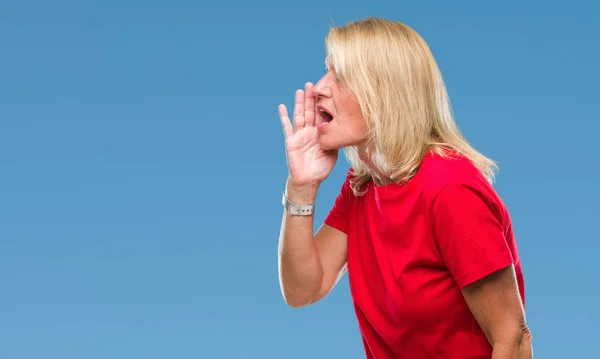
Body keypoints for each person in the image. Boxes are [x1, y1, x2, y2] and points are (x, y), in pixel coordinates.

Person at [276, 17, 532, 359]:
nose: (320, 87)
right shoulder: (363, 186)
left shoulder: (450, 191)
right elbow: (302, 289)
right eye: (327, 71)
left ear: (385, 94)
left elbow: (512, 338)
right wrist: (302, 187)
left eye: (341, 76)